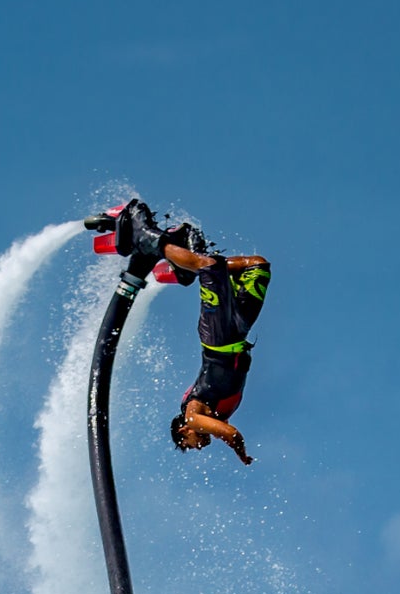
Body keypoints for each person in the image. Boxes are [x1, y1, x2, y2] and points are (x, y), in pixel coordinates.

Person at [98, 199, 272, 465]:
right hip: (238, 332)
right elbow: (225, 428)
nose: (199, 447)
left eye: (190, 445)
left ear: (184, 431)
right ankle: (185, 263)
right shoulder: (219, 413)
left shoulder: (192, 415)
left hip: (218, 336)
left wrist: (242, 454)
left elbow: (231, 434)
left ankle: (153, 242)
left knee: (208, 267)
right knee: (257, 266)